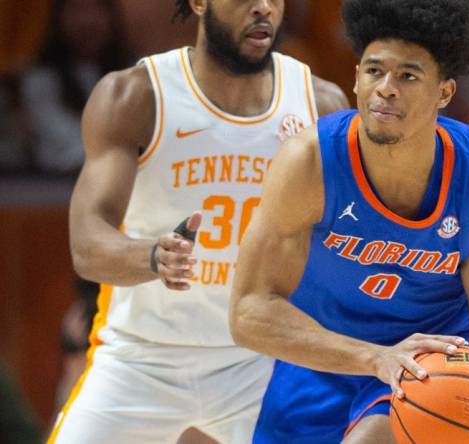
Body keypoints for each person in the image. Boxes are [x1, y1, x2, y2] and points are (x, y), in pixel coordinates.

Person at [50, 0, 348, 442]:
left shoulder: (320, 104)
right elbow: (87, 245)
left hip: (260, 360)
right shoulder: (136, 95)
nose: (264, 8)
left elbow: (341, 239)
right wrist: (152, 256)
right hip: (141, 358)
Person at [228, 0, 469, 442]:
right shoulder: (309, 164)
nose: (386, 88)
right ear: (355, 77)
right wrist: (374, 358)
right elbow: (248, 312)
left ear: (444, 93)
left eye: (407, 76)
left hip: (428, 364)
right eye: (373, 71)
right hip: (323, 356)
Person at [21, 0, 131, 176]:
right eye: (77, 10)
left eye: (96, 10)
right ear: (58, 19)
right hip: (56, 189)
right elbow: (62, 144)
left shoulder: (135, 73)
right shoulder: (41, 80)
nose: (87, 21)